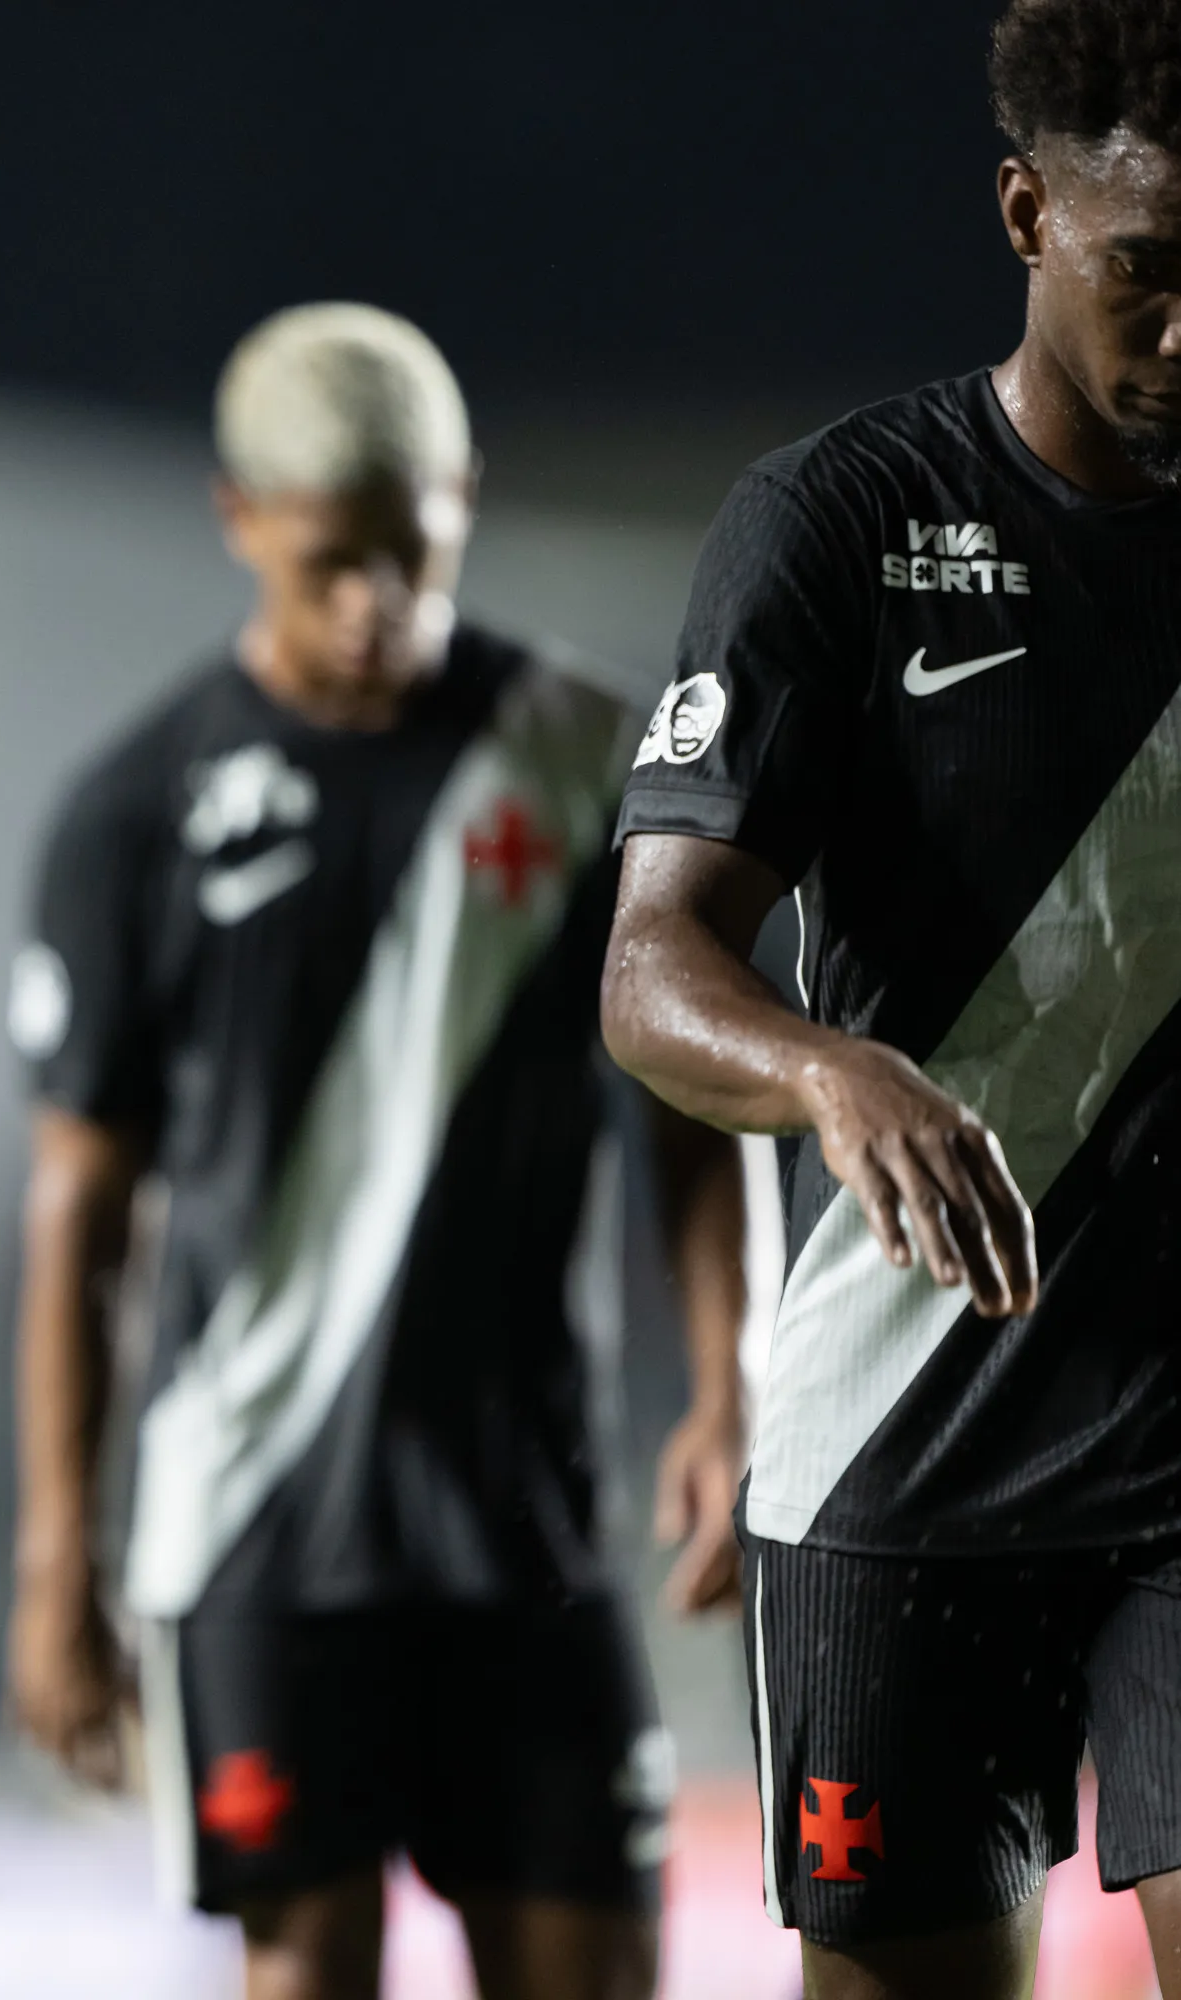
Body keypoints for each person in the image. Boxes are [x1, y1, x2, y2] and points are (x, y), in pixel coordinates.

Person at [4, 303, 751, 2000]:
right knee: (308, 1966)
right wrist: (64, 1560)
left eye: (409, 555)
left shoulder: (582, 759)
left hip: (529, 1523)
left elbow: (691, 1104)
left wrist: (733, 1379)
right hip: (259, 1527)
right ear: (238, 517)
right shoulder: (137, 812)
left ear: (465, 496)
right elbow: (83, 1207)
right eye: (332, 561)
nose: (374, 607)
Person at [600, 4, 1181, 1994]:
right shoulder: (834, 527)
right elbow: (654, 967)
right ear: (1027, 213)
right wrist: (826, 1069)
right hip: (902, 1454)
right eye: (1150, 274)